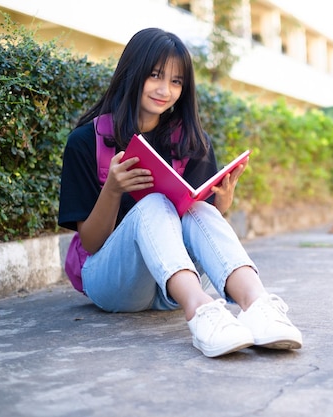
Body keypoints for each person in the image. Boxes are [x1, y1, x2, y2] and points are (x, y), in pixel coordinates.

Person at [58, 27, 303, 358]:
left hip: (169, 289)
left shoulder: (190, 142)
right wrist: (113, 189)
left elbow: (199, 227)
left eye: (176, 81)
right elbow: (91, 243)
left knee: (200, 210)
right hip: (112, 285)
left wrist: (221, 205)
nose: (165, 90)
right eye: (155, 76)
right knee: (156, 203)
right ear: (132, 73)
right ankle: (202, 313)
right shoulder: (86, 142)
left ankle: (257, 306)